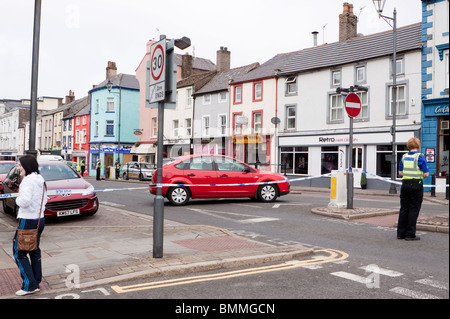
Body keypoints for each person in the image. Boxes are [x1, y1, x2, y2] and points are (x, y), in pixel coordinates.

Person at [13, 155, 47, 296]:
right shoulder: (40, 179)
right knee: (34, 250)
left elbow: (25, 201)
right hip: (39, 219)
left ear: (26, 166)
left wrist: (17, 199)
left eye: (20, 165)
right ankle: (36, 281)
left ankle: (29, 285)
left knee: (18, 252)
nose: (18, 168)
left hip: (27, 220)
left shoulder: (27, 181)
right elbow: (45, 199)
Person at [397, 137, 429, 241]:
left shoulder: (404, 156)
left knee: (404, 208)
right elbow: (426, 174)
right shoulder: (420, 157)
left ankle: (400, 233)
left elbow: (400, 173)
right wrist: (420, 176)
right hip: (416, 184)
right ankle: (410, 234)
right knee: (414, 209)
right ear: (418, 146)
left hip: (405, 184)